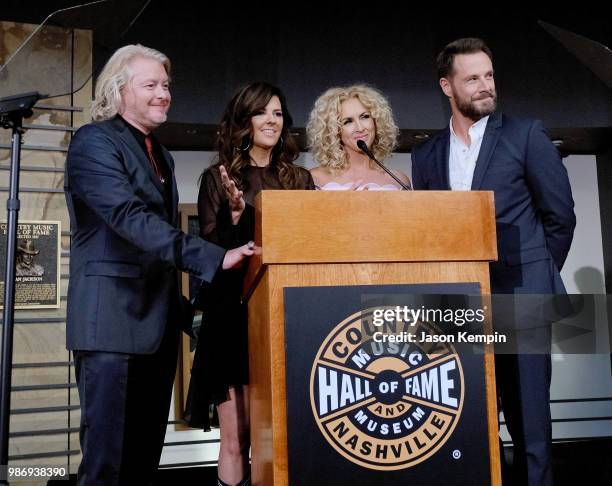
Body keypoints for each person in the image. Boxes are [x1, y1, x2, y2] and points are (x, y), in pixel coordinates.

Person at [64, 44, 253, 485]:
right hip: (110, 326)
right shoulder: (94, 141)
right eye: (150, 84)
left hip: (157, 327)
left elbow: (160, 248)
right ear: (118, 90)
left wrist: (192, 316)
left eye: (166, 85)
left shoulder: (161, 155)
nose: (163, 93)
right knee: (106, 463)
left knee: (143, 460)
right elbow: (130, 220)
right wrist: (215, 257)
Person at [411, 38, 576, 486]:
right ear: (448, 86)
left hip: (522, 298)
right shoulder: (426, 155)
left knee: (530, 427)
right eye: (472, 78)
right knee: (467, 421)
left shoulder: (526, 134)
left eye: (489, 75)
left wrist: (535, 276)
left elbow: (559, 216)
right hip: (457, 306)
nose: (485, 86)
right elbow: (431, 236)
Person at [185, 82, 314, 486]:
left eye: (278, 113)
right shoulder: (216, 179)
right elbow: (210, 256)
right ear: (244, 120)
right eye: (262, 112)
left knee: (279, 438)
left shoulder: (300, 179)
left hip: (288, 320)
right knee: (237, 437)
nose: (271, 121)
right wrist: (237, 218)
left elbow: (310, 245)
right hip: (234, 320)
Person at [307, 84, 410, 190]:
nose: (360, 128)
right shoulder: (315, 179)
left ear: (376, 121)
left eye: (365, 117)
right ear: (333, 130)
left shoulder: (399, 181)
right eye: (348, 122)